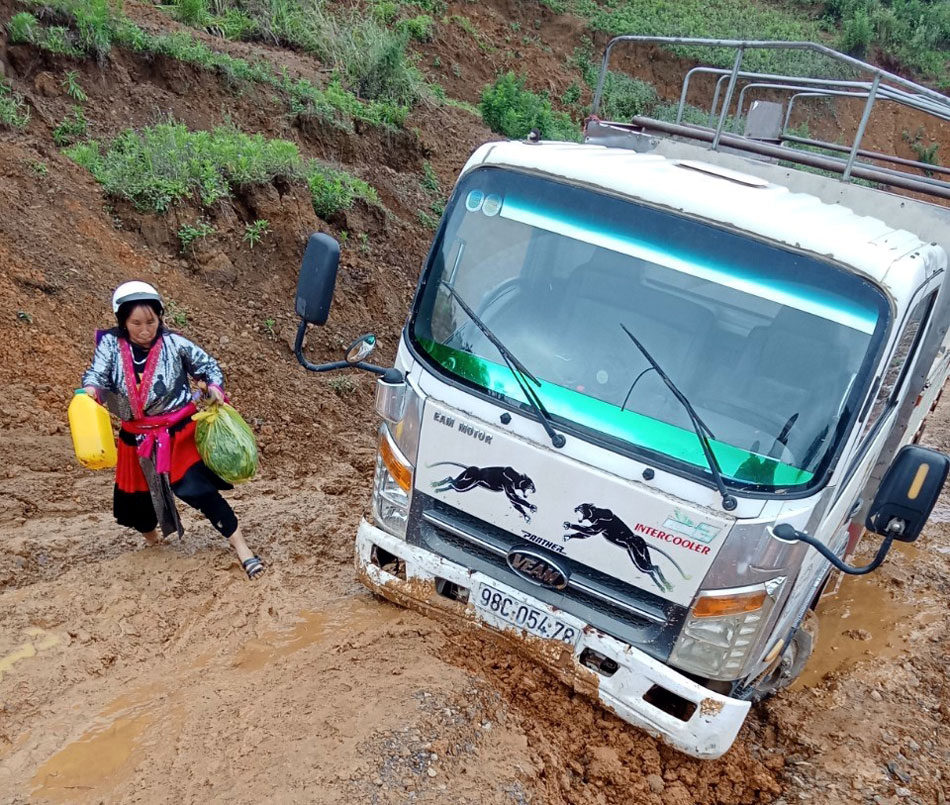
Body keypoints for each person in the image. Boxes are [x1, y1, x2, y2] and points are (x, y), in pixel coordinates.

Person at [81, 281, 265, 580]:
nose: (145, 329)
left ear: (160, 318)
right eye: (136, 323)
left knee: (200, 491)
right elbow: (96, 375)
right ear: (123, 322)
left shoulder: (175, 344)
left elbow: (208, 368)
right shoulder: (110, 347)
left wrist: (213, 387)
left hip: (176, 434)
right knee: (135, 501)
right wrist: (91, 389)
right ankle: (154, 542)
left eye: (151, 321)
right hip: (135, 438)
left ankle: (242, 548)